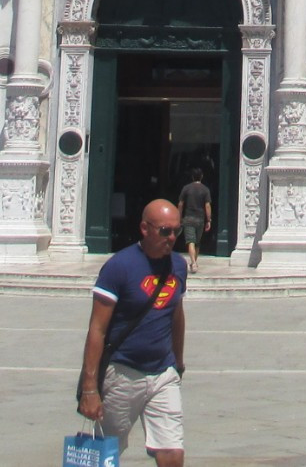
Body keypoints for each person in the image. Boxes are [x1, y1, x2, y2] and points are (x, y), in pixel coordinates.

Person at [77, 198, 188, 466]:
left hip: (163, 372)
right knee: (105, 452)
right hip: (123, 373)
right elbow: (97, 328)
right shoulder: (119, 267)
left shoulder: (178, 265)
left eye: (177, 231)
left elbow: (176, 313)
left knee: (172, 452)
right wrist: (90, 388)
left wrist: (178, 361)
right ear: (144, 228)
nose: (172, 238)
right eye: (165, 231)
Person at [177, 170, 211, 272]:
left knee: (190, 241)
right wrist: (208, 220)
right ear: (201, 176)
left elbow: (180, 204)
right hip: (200, 219)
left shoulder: (186, 188)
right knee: (197, 242)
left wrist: (179, 217)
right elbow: (207, 205)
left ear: (192, 177)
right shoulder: (205, 190)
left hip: (188, 218)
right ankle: (194, 262)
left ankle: (193, 263)